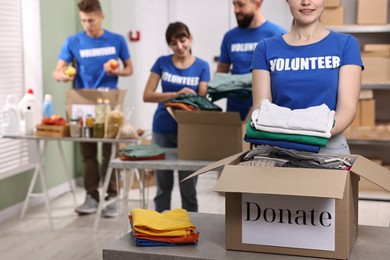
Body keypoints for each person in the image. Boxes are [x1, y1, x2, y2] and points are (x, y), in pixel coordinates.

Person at [52, 0, 133, 217]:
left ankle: (112, 197)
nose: (87, 25)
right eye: (83, 20)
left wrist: (116, 72)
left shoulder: (116, 40)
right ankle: (91, 196)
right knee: (87, 154)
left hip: (110, 104)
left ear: (101, 16)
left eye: (91, 20)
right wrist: (63, 75)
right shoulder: (73, 41)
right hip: (82, 105)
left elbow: (129, 69)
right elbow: (57, 72)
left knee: (110, 152)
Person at [251, 0, 363, 154]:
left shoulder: (345, 44)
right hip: (277, 147)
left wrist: (314, 136)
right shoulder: (265, 48)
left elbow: (347, 108)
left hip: (328, 144)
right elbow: (262, 109)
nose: (306, 2)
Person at [143, 21, 210, 213]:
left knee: (188, 189)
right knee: (163, 187)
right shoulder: (162, 63)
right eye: (174, 43)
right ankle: (159, 230)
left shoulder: (202, 66)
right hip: (162, 129)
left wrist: (190, 98)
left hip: (189, 132)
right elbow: (147, 95)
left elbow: (202, 97)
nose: (179, 46)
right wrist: (175, 95)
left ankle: (189, 229)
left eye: (183, 40)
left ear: (190, 38)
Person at [217, 0, 287, 120]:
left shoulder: (277, 35)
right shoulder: (230, 36)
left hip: (267, 113)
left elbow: (286, 78)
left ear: (257, 4)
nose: (236, 10)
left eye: (240, 5)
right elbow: (221, 73)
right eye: (234, 5)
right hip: (235, 112)